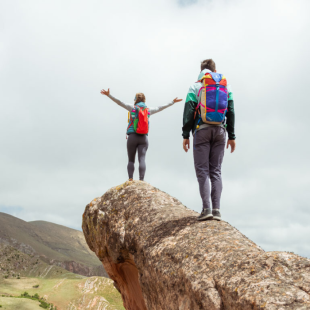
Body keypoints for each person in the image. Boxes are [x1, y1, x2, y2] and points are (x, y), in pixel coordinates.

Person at [182, 59, 236, 221]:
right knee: (216, 171)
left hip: (202, 130)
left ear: (201, 70)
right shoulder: (226, 86)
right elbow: (231, 111)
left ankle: (207, 209)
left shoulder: (195, 86)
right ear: (214, 70)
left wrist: (185, 135)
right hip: (221, 130)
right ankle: (217, 210)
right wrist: (232, 136)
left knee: (203, 170)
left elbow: (188, 111)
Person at [101, 89, 182, 181]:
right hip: (143, 138)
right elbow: (160, 108)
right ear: (144, 100)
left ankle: (130, 179)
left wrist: (109, 95)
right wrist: (172, 102)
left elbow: (120, 102)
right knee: (142, 159)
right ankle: (141, 180)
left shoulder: (132, 108)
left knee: (131, 160)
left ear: (135, 99)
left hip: (132, 137)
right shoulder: (148, 110)